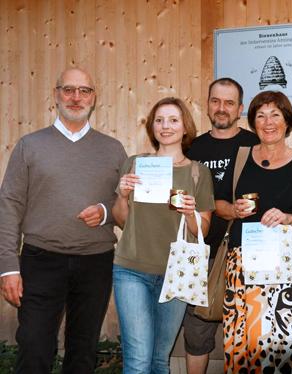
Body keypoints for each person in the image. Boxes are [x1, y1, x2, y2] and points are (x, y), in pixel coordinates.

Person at [0, 67, 127, 373]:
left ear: (94, 98)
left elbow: (125, 204)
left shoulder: (113, 150)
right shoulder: (29, 146)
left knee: (82, 352)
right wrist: (7, 267)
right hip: (40, 260)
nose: (75, 97)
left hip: (95, 262)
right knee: (33, 347)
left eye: (84, 91)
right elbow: (10, 204)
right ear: (56, 94)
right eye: (68, 89)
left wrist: (106, 212)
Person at [216, 91, 292, 372]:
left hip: (286, 270)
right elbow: (218, 204)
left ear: (287, 121)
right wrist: (234, 211)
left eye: (275, 114)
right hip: (243, 266)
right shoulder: (239, 159)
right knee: (244, 346)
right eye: (260, 115)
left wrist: (288, 218)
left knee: (287, 347)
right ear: (253, 122)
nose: (268, 121)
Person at [111, 97, 214, 373]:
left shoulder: (197, 173)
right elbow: (121, 220)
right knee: (138, 360)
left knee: (159, 360)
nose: (165, 126)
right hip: (131, 269)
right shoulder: (135, 164)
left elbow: (202, 230)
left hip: (176, 274)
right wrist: (122, 195)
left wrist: (191, 212)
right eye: (159, 120)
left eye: (173, 120)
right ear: (152, 127)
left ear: (185, 128)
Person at [182, 78, 258, 374]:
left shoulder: (255, 144)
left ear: (240, 108)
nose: (222, 108)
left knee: (245, 332)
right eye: (216, 101)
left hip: (246, 255)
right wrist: (217, 206)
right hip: (201, 253)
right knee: (196, 332)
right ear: (208, 104)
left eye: (229, 103)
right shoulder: (192, 148)